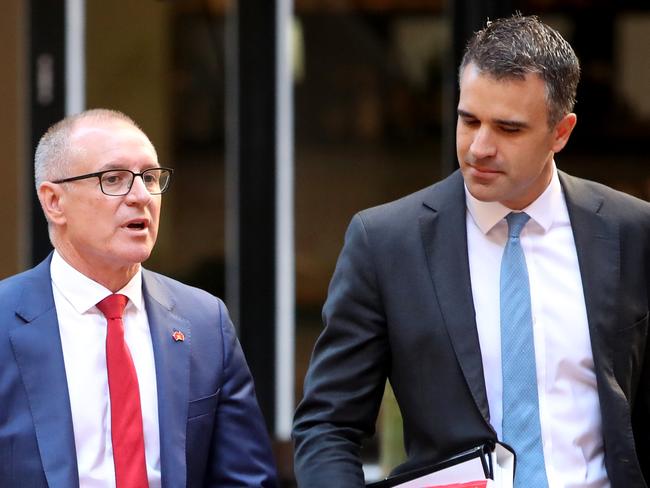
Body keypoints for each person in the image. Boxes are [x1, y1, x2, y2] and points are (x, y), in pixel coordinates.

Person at [293, 14, 650, 488]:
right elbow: (327, 425)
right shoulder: (385, 242)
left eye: (508, 128)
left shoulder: (631, 232)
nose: (479, 147)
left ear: (560, 133)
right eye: (469, 120)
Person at [0, 109, 278, 487]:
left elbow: (244, 478)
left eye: (149, 177)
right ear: (54, 201)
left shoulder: (204, 321)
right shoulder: (5, 320)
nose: (142, 196)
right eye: (113, 179)